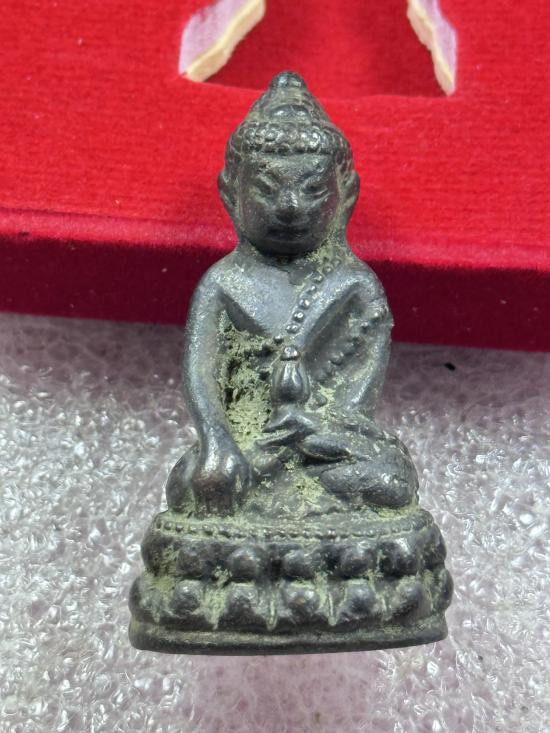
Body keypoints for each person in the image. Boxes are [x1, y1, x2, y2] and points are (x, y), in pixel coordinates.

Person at [166, 71, 418, 518]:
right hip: (248, 445)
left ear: (346, 196)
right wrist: (218, 441)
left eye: (313, 190)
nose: (290, 207)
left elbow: (355, 401)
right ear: (230, 194)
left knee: (389, 481)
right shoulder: (224, 283)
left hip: (322, 443)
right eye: (266, 189)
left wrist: (315, 428)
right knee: (200, 482)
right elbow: (201, 378)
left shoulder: (354, 286)